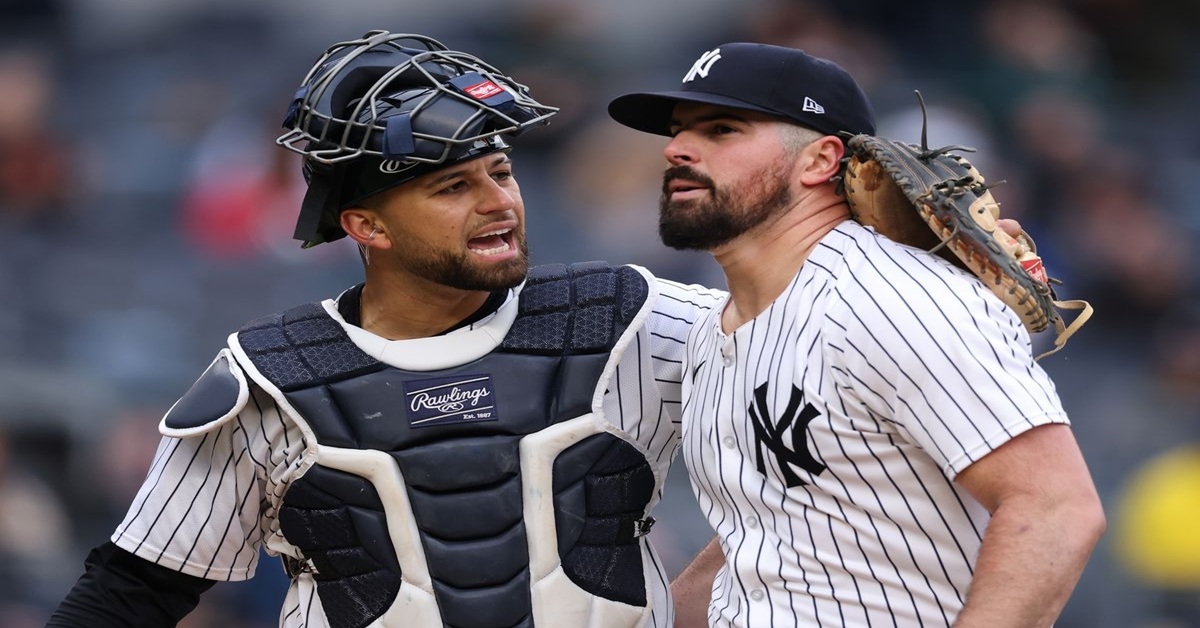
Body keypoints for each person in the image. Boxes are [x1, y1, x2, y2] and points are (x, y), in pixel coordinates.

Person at [46, 30, 726, 628]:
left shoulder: (627, 315)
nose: (499, 202)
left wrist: (699, 597)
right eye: (453, 187)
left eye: (501, 172)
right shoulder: (269, 377)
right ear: (366, 225)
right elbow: (133, 590)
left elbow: (791, 411)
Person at [607, 42, 1107, 627]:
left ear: (820, 160)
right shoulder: (717, 329)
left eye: (722, 129)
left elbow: (1055, 509)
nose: (676, 149)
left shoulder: (892, 301)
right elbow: (770, 538)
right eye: (678, 131)